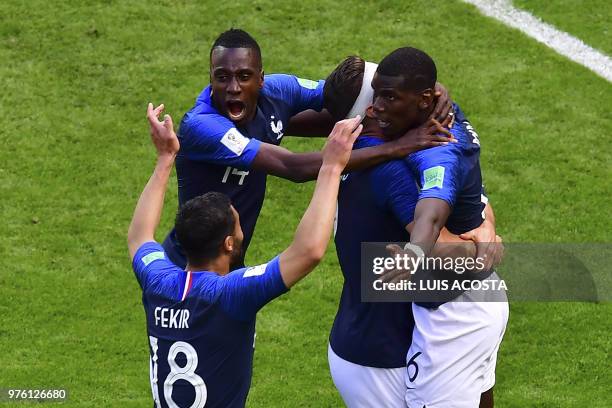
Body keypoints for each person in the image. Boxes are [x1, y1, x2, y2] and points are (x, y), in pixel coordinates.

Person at [127, 103, 362, 407]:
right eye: (238, 225)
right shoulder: (230, 294)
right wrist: (331, 168)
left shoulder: (157, 280)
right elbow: (309, 252)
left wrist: (164, 158)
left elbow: (139, 237)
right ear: (228, 244)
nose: (243, 231)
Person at [163, 28, 455, 269]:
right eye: (222, 77)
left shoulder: (279, 91)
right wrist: (400, 146)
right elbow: (293, 168)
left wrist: (428, 88)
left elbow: (348, 92)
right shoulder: (201, 126)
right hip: (188, 267)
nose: (234, 87)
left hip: (231, 261)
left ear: (261, 78)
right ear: (211, 79)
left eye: (244, 76)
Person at [323, 54, 505, 407]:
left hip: (384, 332)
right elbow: (435, 225)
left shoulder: (357, 157)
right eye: (376, 98)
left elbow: (453, 199)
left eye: (389, 97)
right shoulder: (392, 166)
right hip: (389, 346)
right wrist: (487, 248)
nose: (379, 106)